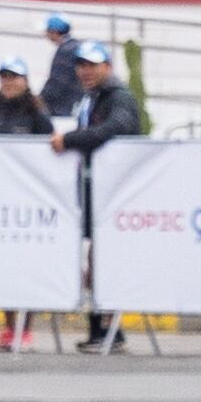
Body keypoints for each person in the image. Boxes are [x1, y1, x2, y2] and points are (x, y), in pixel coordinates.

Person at [52, 40, 143, 354]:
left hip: (116, 194)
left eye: (92, 65)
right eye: (81, 65)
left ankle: (110, 331)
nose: (85, 71)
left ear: (108, 67)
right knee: (94, 259)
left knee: (105, 259)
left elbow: (115, 128)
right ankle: (100, 329)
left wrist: (70, 140)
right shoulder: (90, 98)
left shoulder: (120, 97)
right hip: (95, 190)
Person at [0, 56, 55, 352]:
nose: (9, 82)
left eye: (14, 77)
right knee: (3, 267)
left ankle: (26, 329)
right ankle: (9, 327)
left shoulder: (37, 114)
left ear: (25, 81)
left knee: (27, 267)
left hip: (28, 202)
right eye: (5, 77)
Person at [38, 14, 81, 116]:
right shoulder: (75, 46)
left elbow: (57, 81)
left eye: (47, 31)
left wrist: (40, 100)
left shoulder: (65, 51)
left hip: (63, 107)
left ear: (54, 31)